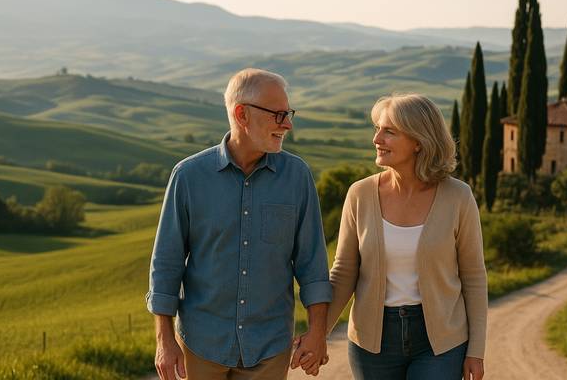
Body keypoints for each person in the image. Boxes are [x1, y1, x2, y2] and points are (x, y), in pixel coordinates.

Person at [146, 68, 331, 380]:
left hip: (270, 347)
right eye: (279, 114)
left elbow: (312, 263)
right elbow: (166, 263)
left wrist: (317, 332)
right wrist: (164, 339)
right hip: (201, 345)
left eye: (289, 114)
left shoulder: (297, 177)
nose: (287, 124)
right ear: (242, 114)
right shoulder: (189, 177)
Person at [325, 93, 488, 380]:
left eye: (389, 131)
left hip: (441, 342)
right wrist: (318, 333)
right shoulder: (360, 194)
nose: (377, 139)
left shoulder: (458, 197)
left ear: (418, 141)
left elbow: (473, 276)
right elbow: (344, 272)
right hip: (372, 343)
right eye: (377, 129)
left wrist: (476, 350)